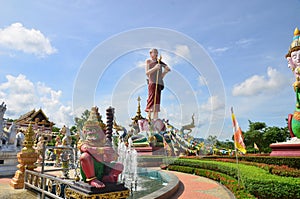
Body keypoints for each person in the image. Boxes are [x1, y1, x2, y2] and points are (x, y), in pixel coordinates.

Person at [145, 48, 171, 120]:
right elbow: (147, 73)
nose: (156, 54)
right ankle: (149, 117)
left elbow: (160, 77)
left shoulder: (160, 63)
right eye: (154, 52)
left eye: (157, 52)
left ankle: (155, 118)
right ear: (150, 54)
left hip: (158, 83)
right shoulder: (148, 61)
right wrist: (155, 68)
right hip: (152, 83)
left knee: (157, 101)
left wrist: (165, 71)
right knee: (151, 99)